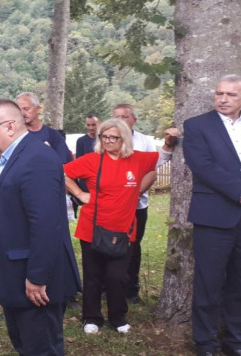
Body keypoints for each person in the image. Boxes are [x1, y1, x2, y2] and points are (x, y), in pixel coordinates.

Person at [0, 100, 81, 356]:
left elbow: (46, 223)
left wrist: (37, 277)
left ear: (10, 126)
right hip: (15, 276)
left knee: (41, 348)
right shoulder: (11, 157)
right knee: (26, 345)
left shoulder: (37, 158)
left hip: (34, 284)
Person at [63, 118, 166, 335]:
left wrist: (170, 139)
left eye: (113, 137)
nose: (108, 141)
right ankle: (91, 318)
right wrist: (80, 193)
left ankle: (118, 317)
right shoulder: (92, 160)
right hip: (92, 228)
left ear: (124, 139)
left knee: (117, 276)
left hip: (123, 230)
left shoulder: (137, 160)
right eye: (104, 136)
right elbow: (61, 173)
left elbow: (164, 156)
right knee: (93, 276)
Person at [183, 74, 241, 356]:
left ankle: (236, 342)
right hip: (214, 216)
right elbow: (203, 166)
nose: (223, 99)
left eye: (230, 95)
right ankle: (205, 343)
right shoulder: (198, 126)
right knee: (208, 283)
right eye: (219, 93)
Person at [111, 103, 156, 303]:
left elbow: (151, 172)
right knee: (107, 243)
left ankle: (131, 288)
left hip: (136, 205)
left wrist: (134, 193)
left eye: (124, 116)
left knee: (133, 246)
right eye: (116, 116)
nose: (120, 120)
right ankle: (108, 286)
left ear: (134, 119)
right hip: (111, 206)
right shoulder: (107, 140)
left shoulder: (145, 142)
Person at [15, 92, 72, 163]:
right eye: (19, 110)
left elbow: (65, 163)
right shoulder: (15, 135)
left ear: (37, 109)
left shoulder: (53, 135)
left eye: (26, 109)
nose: (22, 113)